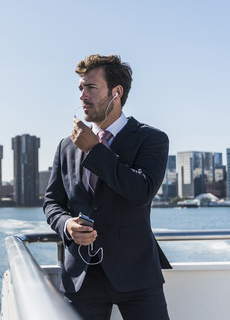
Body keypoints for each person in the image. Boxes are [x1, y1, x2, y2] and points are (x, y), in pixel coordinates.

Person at [43, 54, 171, 319]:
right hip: (81, 278)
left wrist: (93, 148)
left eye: (91, 87)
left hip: (137, 276)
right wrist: (67, 225)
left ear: (117, 92)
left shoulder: (151, 138)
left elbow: (142, 191)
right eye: (80, 88)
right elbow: (52, 202)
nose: (82, 95)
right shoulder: (66, 146)